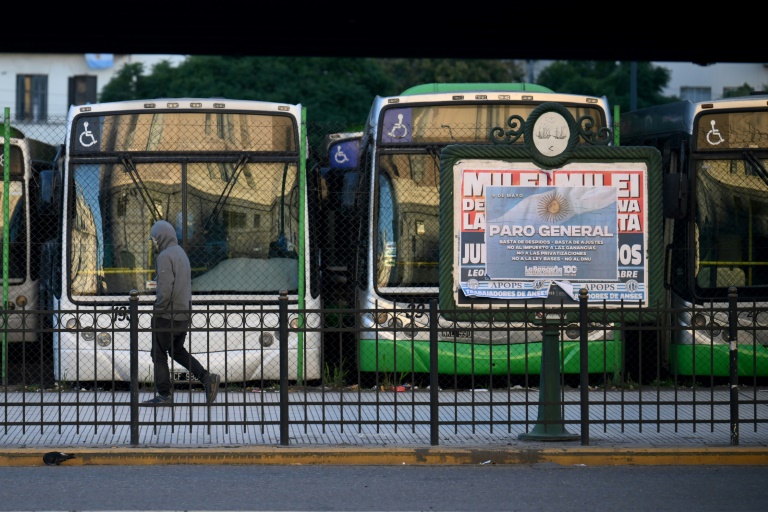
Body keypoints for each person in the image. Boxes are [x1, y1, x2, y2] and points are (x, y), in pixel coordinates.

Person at [143, 219, 220, 406]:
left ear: (161, 237)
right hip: (183, 314)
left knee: (158, 354)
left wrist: (157, 310)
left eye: (155, 239)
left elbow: (165, 290)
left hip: (167, 315)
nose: (154, 243)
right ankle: (207, 378)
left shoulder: (164, 256)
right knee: (176, 350)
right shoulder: (181, 254)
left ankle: (164, 395)